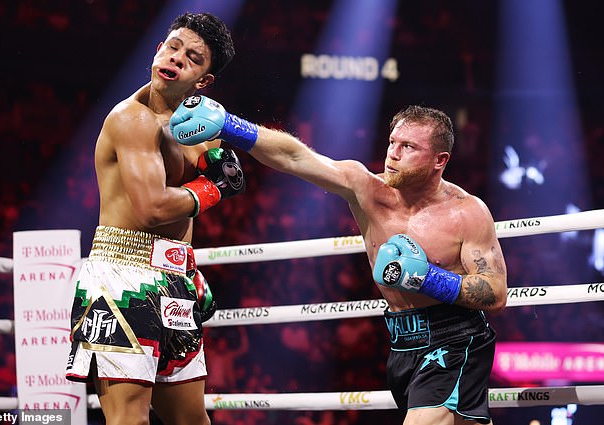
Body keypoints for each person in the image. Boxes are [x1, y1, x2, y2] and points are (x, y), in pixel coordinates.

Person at [170, 96, 508, 425]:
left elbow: (494, 292)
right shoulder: (367, 190)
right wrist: (231, 126)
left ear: (440, 160)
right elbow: (295, 158)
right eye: (393, 142)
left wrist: (427, 278)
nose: (393, 154)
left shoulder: (466, 212)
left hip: (455, 338)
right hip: (401, 343)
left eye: (409, 147)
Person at [65, 14, 244, 425]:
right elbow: (153, 208)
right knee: (129, 419)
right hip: (121, 279)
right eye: (173, 46)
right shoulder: (131, 119)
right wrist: (214, 187)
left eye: (193, 58)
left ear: (204, 80)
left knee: (192, 421)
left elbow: (193, 204)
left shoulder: (201, 127)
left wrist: (186, 271)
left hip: (175, 279)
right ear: (157, 49)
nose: (177, 58)